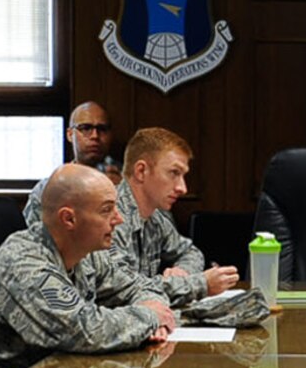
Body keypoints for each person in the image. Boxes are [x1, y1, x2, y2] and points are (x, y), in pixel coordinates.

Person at [0, 164, 177, 368]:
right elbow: (84, 331)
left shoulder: (85, 252)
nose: (119, 219)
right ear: (69, 219)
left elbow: (140, 287)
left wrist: (154, 313)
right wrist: (149, 317)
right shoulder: (24, 263)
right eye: (106, 210)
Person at [84, 128, 237, 305]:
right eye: (174, 173)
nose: (183, 188)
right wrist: (199, 283)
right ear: (141, 171)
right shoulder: (109, 217)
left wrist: (182, 271)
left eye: (183, 175)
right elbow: (122, 288)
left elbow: (190, 252)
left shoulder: (156, 218)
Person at [24, 102, 120, 226]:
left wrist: (123, 193)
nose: (95, 136)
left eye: (102, 129)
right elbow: (34, 238)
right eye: (85, 128)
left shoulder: (130, 183)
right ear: (70, 134)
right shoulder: (47, 190)